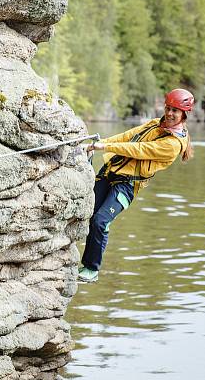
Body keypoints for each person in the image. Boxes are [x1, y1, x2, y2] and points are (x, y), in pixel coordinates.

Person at [78, 88, 195, 282]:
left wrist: (105, 147)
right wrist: (96, 144)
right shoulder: (154, 124)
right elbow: (128, 136)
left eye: (175, 110)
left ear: (184, 114)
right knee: (87, 212)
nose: (170, 114)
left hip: (127, 186)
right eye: (168, 108)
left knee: (101, 221)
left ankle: (91, 268)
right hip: (109, 173)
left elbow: (138, 149)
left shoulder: (173, 144)